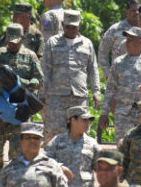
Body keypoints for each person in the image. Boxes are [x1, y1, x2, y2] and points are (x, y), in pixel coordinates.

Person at [0, 23, 44, 173]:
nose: (12, 44)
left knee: (17, 150)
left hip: (21, 109)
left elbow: (40, 81)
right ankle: (0, 169)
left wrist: (20, 83)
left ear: (23, 38)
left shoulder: (30, 56)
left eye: (15, 41)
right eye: (9, 41)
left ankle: (11, 175)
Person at [42, 10, 100, 142]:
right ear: (62, 24)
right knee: (53, 133)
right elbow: (45, 70)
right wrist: (42, 94)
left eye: (74, 27)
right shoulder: (52, 42)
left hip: (79, 97)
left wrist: (96, 92)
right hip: (56, 97)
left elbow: (93, 69)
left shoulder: (87, 44)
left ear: (79, 25)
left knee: (80, 132)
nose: (71, 29)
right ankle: (51, 161)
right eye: (68, 26)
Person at [99, 27, 141, 143]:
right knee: (123, 147)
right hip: (123, 112)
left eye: (130, 40)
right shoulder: (118, 62)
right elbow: (110, 89)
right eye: (126, 39)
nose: (126, 42)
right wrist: (105, 113)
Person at [98, 0, 140, 78]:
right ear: (126, 12)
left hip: (140, 79)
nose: (137, 13)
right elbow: (102, 51)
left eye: (139, 10)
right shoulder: (115, 29)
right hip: (118, 78)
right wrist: (107, 73)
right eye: (133, 10)